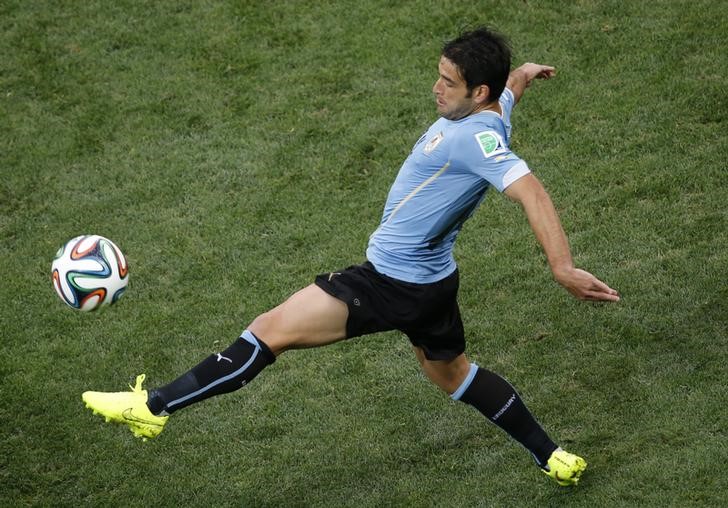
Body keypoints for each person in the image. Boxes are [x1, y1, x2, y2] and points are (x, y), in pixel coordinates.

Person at [82, 27, 619, 487]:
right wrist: (521, 74)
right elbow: (510, 92)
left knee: (269, 331)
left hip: (387, 283)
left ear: (476, 92)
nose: (435, 88)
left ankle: (152, 409)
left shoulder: (474, 139)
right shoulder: (492, 110)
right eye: (437, 74)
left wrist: (562, 267)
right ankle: (553, 457)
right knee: (454, 375)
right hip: (434, 286)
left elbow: (531, 191)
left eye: (447, 83)